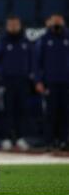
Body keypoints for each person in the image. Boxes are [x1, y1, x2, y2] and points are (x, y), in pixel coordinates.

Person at [0, 16, 32, 151]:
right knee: (7, 111)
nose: (14, 27)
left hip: (23, 82)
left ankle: (20, 138)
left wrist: (28, 73)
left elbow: (32, 60)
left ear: (20, 25)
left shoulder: (26, 42)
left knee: (22, 110)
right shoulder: (2, 42)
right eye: (11, 25)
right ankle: (7, 139)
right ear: (7, 26)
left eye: (16, 25)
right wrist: (4, 72)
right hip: (6, 83)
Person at [33, 14, 69, 151]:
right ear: (49, 24)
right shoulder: (43, 40)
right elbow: (36, 63)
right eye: (55, 22)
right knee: (50, 113)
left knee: (65, 113)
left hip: (66, 83)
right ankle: (49, 141)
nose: (57, 24)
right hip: (50, 83)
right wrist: (38, 81)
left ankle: (64, 140)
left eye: (59, 22)